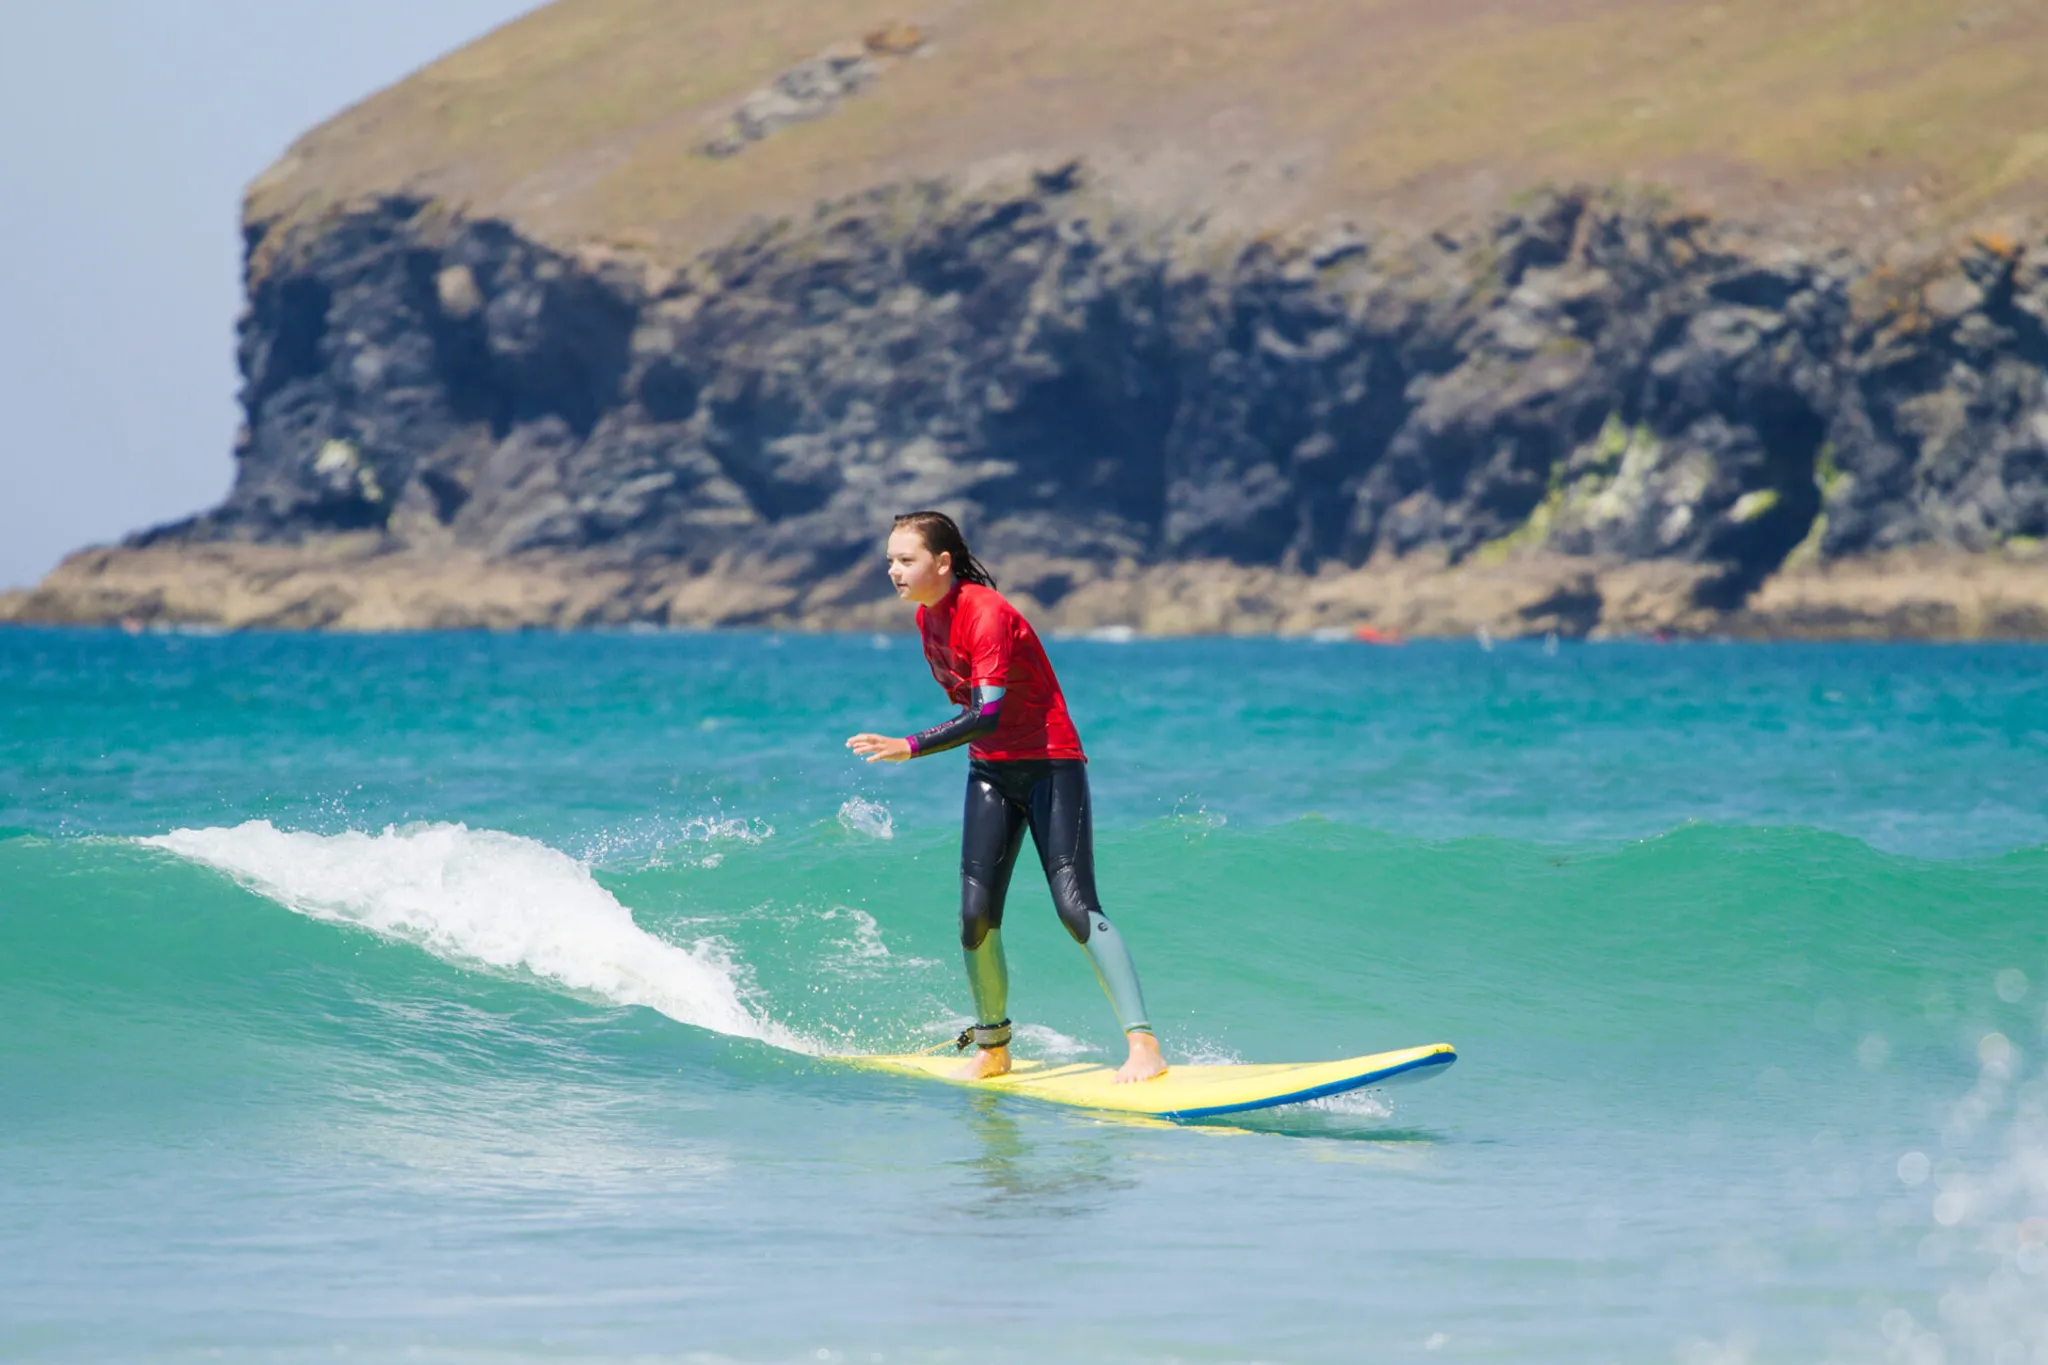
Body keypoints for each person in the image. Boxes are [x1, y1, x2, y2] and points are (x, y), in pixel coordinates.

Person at [845, 511, 1167, 1084]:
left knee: (1075, 907)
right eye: (890, 560)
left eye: (905, 559)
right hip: (991, 773)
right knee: (975, 916)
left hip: (1050, 765)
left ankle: (1144, 1046)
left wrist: (909, 746)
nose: (893, 571)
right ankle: (993, 1048)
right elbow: (973, 712)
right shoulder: (928, 620)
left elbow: (987, 713)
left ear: (942, 563)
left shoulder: (985, 613)